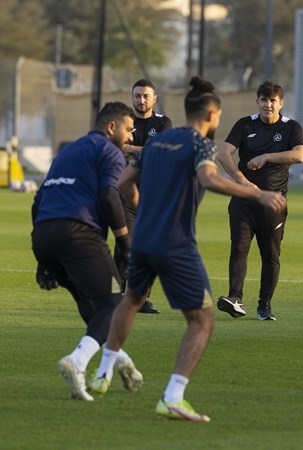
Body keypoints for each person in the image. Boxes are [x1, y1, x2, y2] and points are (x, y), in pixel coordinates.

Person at [87, 77, 286, 421]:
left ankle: (103, 372)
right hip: (175, 243)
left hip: (144, 239)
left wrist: (144, 207)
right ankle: (173, 396)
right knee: (202, 323)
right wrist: (258, 194)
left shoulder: (159, 141)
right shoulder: (200, 145)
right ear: (211, 113)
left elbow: (122, 183)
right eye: (219, 115)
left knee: (131, 300)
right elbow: (209, 179)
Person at [31, 102, 144, 401]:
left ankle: (121, 361)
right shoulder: (109, 152)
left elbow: (37, 202)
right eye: (129, 130)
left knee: (90, 303)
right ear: (111, 127)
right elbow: (109, 196)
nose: (130, 138)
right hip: (78, 235)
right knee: (115, 306)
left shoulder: (66, 151)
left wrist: (43, 259)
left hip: (44, 235)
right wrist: (125, 243)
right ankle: (77, 362)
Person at [216, 80, 303, 320]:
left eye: (272, 100)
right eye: (263, 100)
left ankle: (264, 305)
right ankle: (235, 298)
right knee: (239, 249)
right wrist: (241, 180)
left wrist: (266, 156)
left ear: (281, 103)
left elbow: (299, 155)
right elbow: (223, 153)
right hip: (243, 200)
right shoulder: (245, 124)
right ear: (257, 102)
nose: (268, 105)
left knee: (270, 254)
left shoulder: (291, 127)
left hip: (273, 203)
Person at [114, 78, 173, 314]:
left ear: (154, 99)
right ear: (132, 97)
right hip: (126, 194)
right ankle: (117, 295)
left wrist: (129, 149)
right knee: (124, 244)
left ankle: (141, 298)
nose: (141, 100)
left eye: (146, 96)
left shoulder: (163, 123)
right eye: (137, 96)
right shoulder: (124, 121)